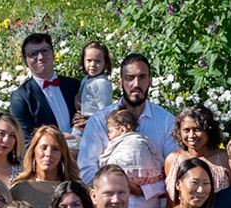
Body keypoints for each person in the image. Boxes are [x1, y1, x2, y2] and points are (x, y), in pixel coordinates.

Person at [76, 53, 180, 193]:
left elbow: (174, 172)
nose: (136, 84)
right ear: (120, 82)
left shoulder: (166, 121)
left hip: (151, 206)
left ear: (150, 81)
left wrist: (145, 190)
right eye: (130, 78)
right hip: (111, 203)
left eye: (142, 77)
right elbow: (86, 170)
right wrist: (120, 187)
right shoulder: (99, 120)